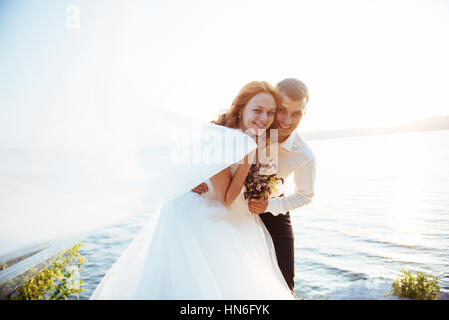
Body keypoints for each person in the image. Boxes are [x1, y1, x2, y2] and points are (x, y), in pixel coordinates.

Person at [90, 81, 295, 299]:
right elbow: (225, 198)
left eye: (270, 112)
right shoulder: (221, 139)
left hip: (237, 213)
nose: (264, 118)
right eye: (257, 110)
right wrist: (246, 159)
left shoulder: (254, 137)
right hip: (205, 215)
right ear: (241, 108)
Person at [193, 78, 316, 293]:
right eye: (282, 110)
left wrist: (269, 206)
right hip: (230, 203)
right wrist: (193, 178)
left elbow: (305, 195)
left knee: (283, 284)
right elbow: (205, 152)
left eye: (297, 113)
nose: (287, 121)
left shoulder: (303, 154)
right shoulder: (254, 122)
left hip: (270, 206)